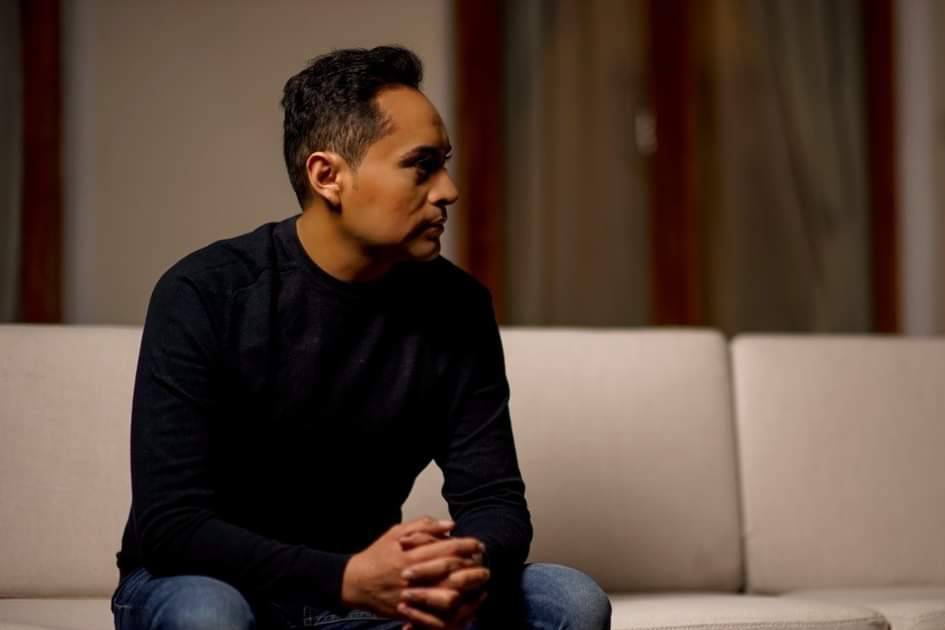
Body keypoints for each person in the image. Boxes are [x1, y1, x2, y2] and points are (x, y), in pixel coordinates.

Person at [110, 45, 611, 630]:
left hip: (369, 596)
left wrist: (451, 571)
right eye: (421, 166)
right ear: (328, 176)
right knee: (208, 614)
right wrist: (345, 577)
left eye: (444, 164)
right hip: (213, 583)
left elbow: (494, 502)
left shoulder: (457, 307)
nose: (448, 190)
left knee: (570, 600)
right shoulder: (204, 293)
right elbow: (172, 527)